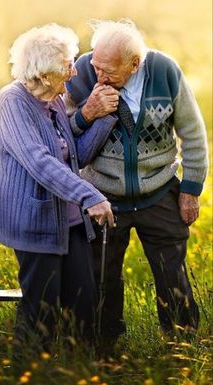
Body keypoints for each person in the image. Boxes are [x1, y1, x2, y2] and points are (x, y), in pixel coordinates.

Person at [64, 19, 208, 349]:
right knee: (102, 277)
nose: (98, 76)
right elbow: (63, 136)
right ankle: (104, 348)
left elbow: (194, 134)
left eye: (108, 70)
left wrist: (190, 189)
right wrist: (87, 112)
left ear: (135, 64)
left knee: (172, 273)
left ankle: (182, 345)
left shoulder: (165, 72)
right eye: (96, 65)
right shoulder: (83, 72)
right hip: (102, 194)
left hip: (158, 190)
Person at [0, 23, 117, 355]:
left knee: (83, 303)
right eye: (67, 65)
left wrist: (101, 117)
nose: (74, 72)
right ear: (44, 74)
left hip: (69, 221)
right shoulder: (11, 102)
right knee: (41, 310)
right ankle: (30, 369)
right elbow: (39, 161)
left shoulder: (54, 101)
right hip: (34, 219)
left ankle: (78, 368)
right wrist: (91, 195)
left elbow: (75, 156)